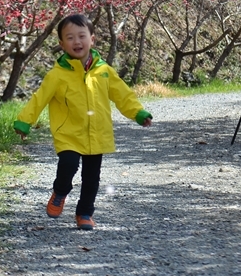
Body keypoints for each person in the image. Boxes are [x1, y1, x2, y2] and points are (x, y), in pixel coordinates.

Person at [13, 13, 152, 231]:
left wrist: (138, 113)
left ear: (92, 39)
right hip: (68, 133)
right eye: (69, 38)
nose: (76, 42)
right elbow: (39, 99)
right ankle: (60, 191)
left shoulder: (104, 71)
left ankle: (85, 213)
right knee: (68, 165)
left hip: (96, 133)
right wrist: (24, 122)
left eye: (81, 36)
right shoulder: (57, 75)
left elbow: (122, 94)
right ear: (61, 44)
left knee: (91, 178)